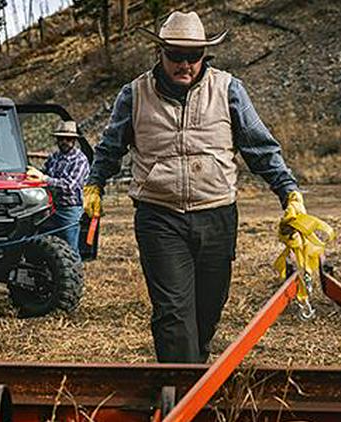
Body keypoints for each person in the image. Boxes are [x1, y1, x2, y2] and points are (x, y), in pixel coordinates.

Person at [83, 11, 305, 363]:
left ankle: (192, 372)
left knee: (207, 310)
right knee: (173, 313)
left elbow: (260, 148)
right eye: (175, 55)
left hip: (216, 216)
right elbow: (111, 146)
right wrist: (94, 184)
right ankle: (180, 399)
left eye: (194, 56)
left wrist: (289, 193)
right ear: (160, 53)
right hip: (160, 218)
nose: (184, 64)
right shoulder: (135, 94)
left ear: (205, 55)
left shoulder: (228, 89)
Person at [28, 121, 90, 259]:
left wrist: (44, 178)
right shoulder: (54, 157)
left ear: (74, 140)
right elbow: (43, 173)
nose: (64, 142)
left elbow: (70, 186)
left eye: (68, 139)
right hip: (49, 208)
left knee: (70, 249)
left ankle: (75, 278)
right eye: (60, 138)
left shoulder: (80, 160)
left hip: (70, 209)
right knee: (44, 244)